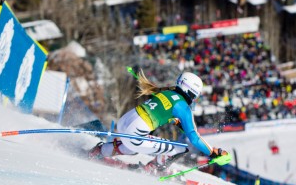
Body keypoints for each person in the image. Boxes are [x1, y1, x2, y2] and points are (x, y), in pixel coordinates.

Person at [88, 70, 227, 174]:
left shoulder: (165, 92)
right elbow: (194, 138)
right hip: (135, 134)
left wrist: (179, 123)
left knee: (131, 146)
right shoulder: (183, 107)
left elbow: (166, 112)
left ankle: (99, 151)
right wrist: (213, 152)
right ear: (193, 92)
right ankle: (153, 169)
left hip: (124, 123)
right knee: (181, 148)